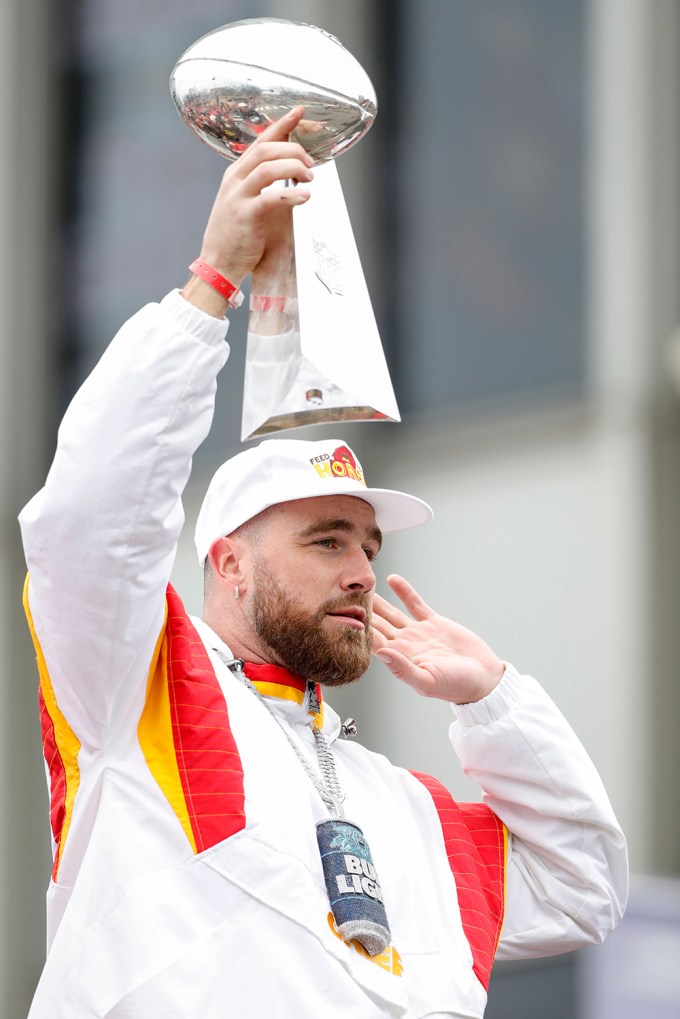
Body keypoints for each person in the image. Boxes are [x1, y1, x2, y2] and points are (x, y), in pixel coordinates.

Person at [19, 108, 627, 1019]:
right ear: (227, 561)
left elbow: (583, 885)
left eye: (369, 546)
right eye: (326, 539)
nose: (361, 572)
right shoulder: (136, 695)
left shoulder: (404, 803)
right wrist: (211, 282)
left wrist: (493, 699)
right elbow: (90, 517)